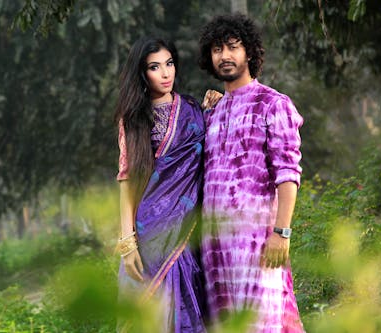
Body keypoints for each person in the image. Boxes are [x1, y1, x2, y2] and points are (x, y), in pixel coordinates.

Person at [198, 13, 305, 332]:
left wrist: (281, 233)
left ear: (250, 53)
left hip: (257, 245)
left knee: (264, 325)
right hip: (215, 250)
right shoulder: (213, 113)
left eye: (233, 47)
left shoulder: (273, 104)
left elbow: (288, 174)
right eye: (217, 49)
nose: (225, 56)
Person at [115, 36, 220, 333]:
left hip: (186, 230)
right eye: (155, 67)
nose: (165, 73)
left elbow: (207, 150)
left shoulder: (191, 108)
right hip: (149, 231)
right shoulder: (133, 119)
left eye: (169, 64)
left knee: (187, 303)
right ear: (142, 74)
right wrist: (127, 242)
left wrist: (214, 107)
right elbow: (127, 180)